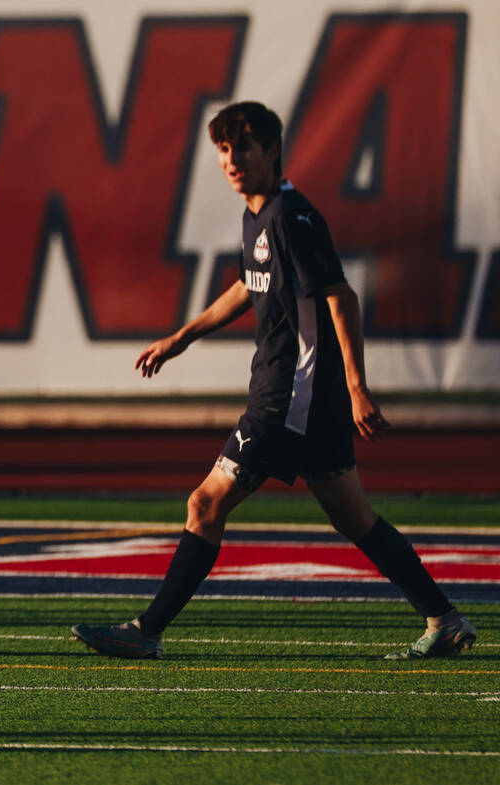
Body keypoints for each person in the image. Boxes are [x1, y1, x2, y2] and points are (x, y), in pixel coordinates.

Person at [71, 101, 477, 661]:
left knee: (204, 504)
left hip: (289, 398)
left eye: (243, 147)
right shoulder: (258, 216)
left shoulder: (291, 217)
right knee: (353, 516)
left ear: (271, 152)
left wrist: (359, 387)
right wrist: (182, 337)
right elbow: (249, 286)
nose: (232, 159)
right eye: (223, 149)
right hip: (309, 402)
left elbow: (341, 297)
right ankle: (445, 618)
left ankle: (147, 630)